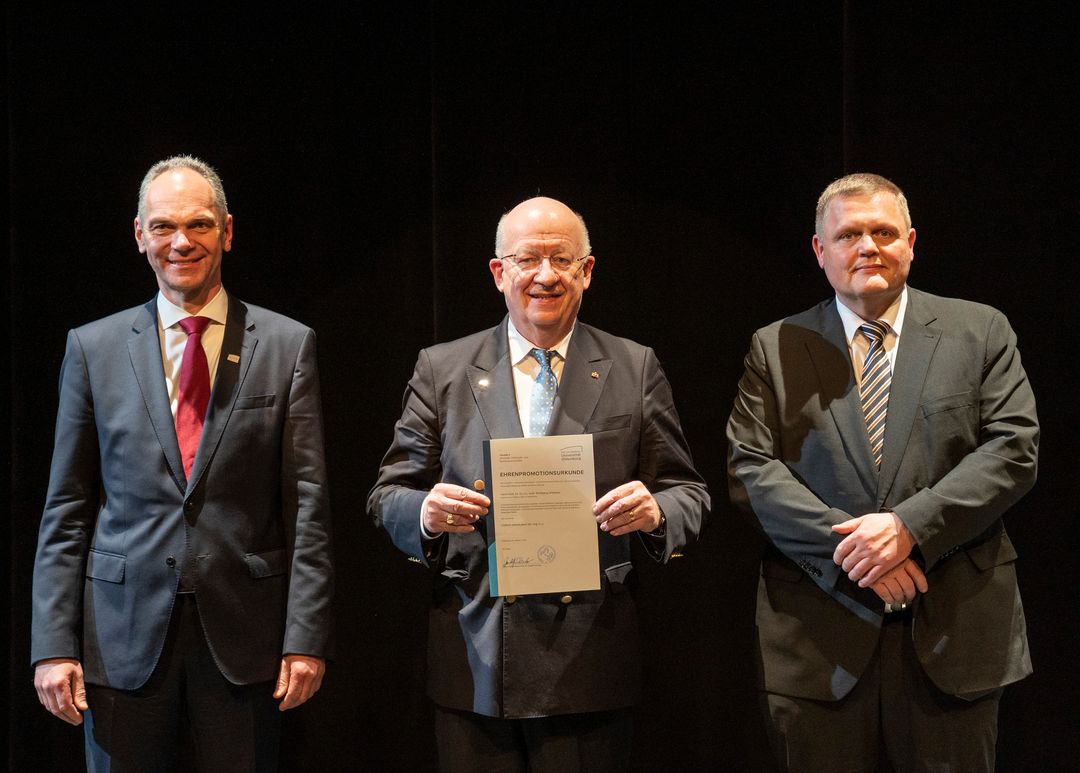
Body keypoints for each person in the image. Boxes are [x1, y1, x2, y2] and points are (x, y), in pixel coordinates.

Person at [368, 196, 708, 772]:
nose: (545, 276)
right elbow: (387, 496)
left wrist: (655, 512)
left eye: (561, 259)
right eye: (528, 260)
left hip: (591, 662)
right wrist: (425, 511)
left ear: (587, 271)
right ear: (500, 273)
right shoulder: (443, 369)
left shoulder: (634, 366)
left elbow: (687, 492)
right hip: (476, 655)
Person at [726, 172, 1038, 772]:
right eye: (848, 234)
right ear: (821, 252)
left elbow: (1013, 448)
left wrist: (909, 528)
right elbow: (751, 469)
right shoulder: (774, 345)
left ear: (911, 242)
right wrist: (861, 549)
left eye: (883, 232)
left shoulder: (980, 330)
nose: (867, 246)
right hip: (820, 637)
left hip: (953, 630)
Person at [31, 155, 334, 771]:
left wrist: (306, 637)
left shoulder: (285, 345)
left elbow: (308, 506)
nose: (181, 242)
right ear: (139, 235)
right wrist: (51, 646)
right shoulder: (94, 348)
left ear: (227, 231)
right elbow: (67, 506)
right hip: (120, 638)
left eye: (199, 225)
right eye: (164, 226)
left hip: (247, 638)